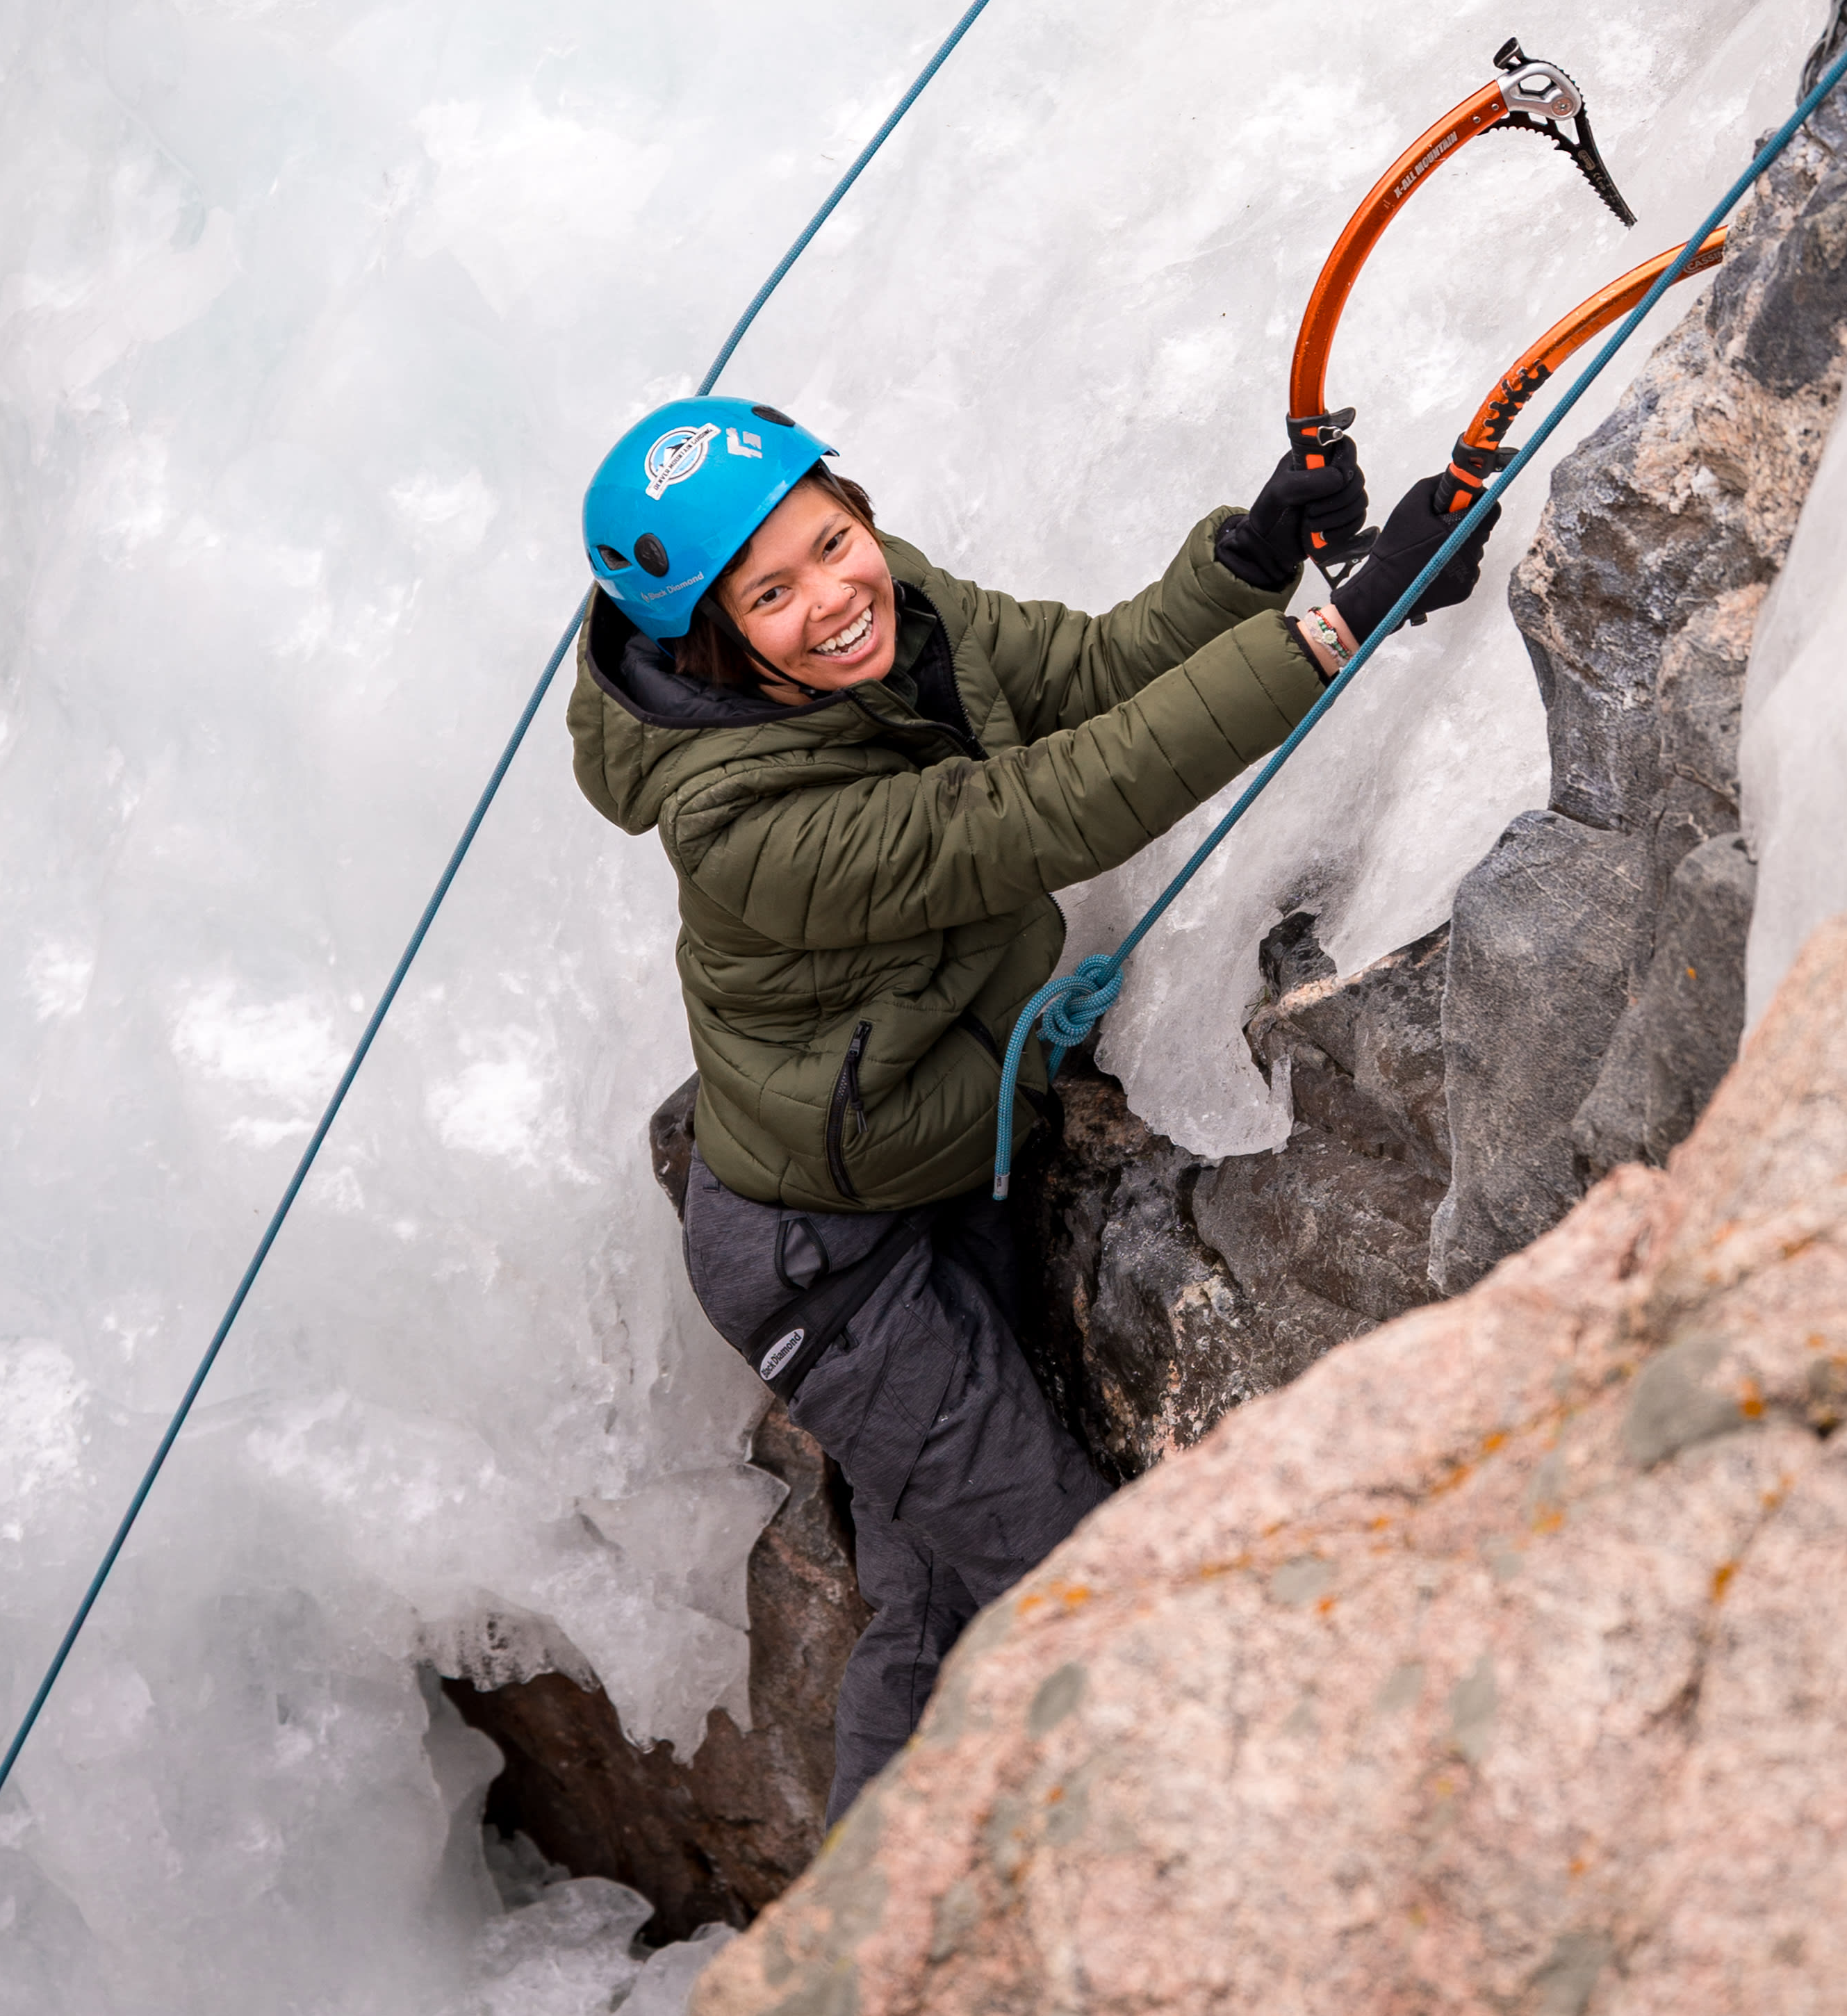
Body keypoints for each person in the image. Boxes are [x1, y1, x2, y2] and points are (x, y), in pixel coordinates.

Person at [568, 394, 1486, 1821]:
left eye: (830, 537)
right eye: (772, 591)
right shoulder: (742, 824)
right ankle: (920, 1958)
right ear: (715, 643)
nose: (831, 594)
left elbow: (1079, 675)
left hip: (936, 1162)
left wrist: (1254, 557)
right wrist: (1334, 628)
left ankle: (874, 1949)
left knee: (934, 1613)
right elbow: (1049, 807)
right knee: (1074, 1581)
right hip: (832, 1258)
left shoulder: (900, 611)